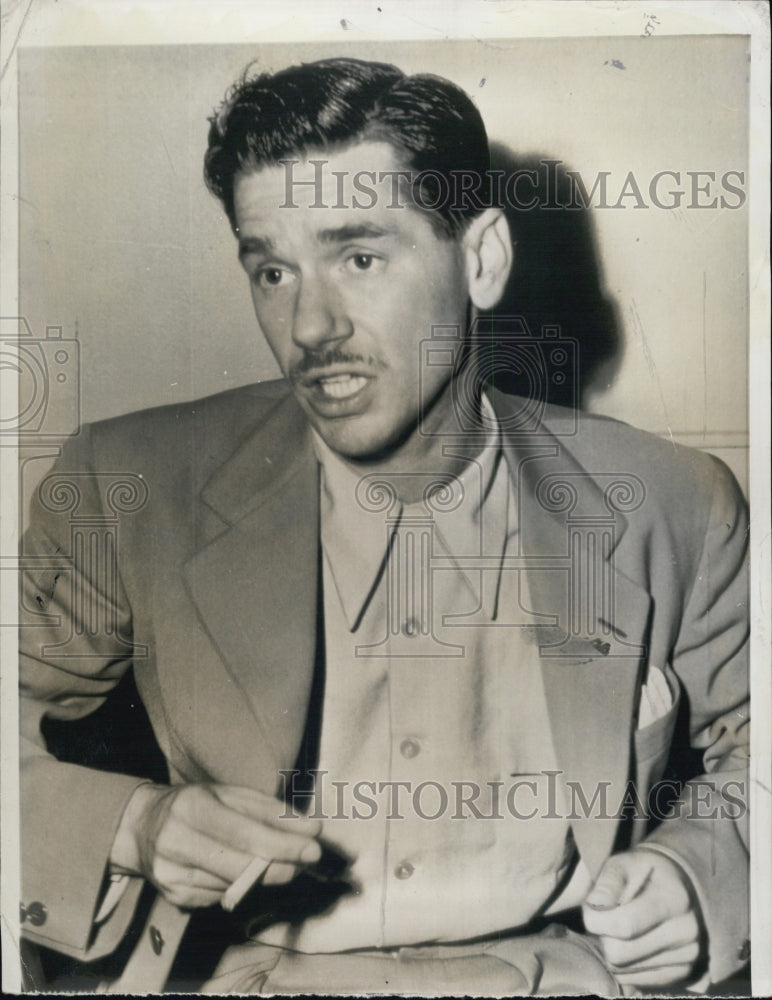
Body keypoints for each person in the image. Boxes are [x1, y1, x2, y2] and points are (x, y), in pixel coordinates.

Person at [19, 57, 749, 994]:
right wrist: (132, 826)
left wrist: (701, 873)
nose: (310, 323)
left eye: (360, 257)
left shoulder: (671, 498)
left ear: (480, 260)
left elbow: (755, 752)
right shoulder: (124, 485)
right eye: (273, 269)